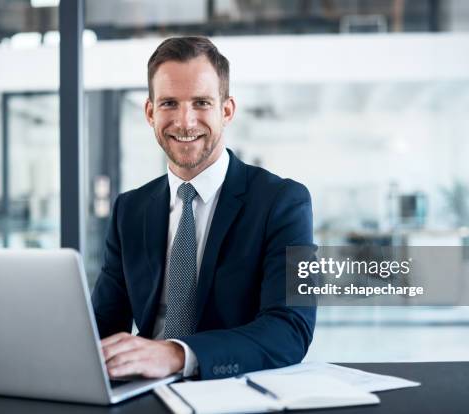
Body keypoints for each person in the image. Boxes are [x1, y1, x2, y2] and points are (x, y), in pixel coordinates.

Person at [91, 36, 315, 381]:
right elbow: (103, 326)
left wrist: (177, 355)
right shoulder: (129, 210)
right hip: (143, 392)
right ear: (150, 112)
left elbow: (290, 329)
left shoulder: (283, 202)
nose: (185, 121)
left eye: (201, 102)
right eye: (168, 103)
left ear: (226, 110)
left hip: (234, 390)